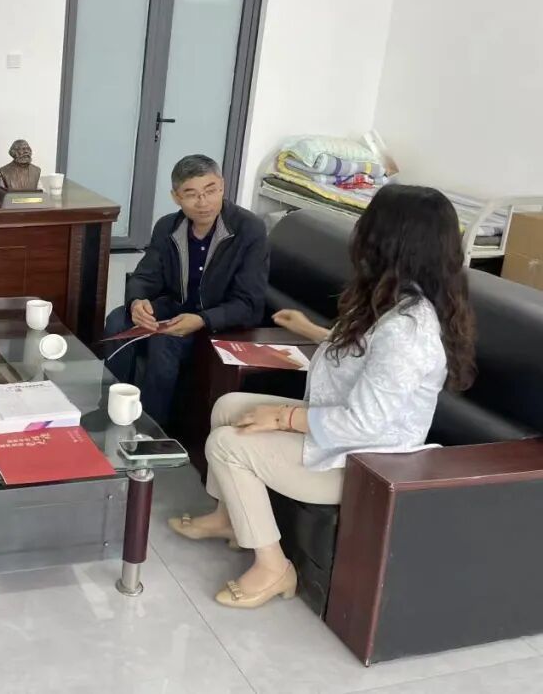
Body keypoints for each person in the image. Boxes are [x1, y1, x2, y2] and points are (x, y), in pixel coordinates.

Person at [168, 185, 476, 609]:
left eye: (368, 223)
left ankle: (273, 568)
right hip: (340, 433)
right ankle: (230, 520)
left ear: (391, 240)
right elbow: (366, 357)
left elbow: (365, 423)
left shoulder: (408, 331)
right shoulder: (395, 297)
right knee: (228, 409)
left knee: (228, 444)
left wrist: (282, 417)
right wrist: (312, 331)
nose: (359, 231)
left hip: (363, 462)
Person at [103, 155, 269, 428]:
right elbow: (145, 275)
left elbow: (249, 303)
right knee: (118, 320)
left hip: (220, 320)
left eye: (210, 191)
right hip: (176, 308)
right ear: (176, 196)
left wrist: (203, 319)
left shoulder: (249, 229)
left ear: (222, 186)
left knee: (164, 341)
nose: (203, 202)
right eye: (191, 194)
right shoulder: (168, 226)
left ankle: (151, 430)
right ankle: (111, 411)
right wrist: (137, 302)